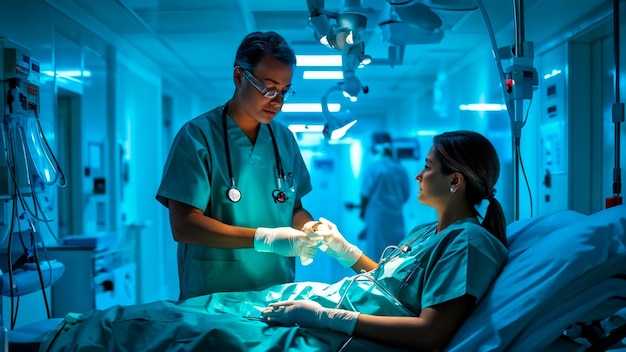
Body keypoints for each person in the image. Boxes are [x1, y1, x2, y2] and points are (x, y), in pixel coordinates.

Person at [261, 130, 509, 351]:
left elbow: (430, 333)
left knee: (234, 329)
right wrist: (345, 250)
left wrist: (324, 317)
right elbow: (388, 284)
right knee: (238, 306)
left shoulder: (466, 243)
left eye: (428, 167)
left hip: (340, 328)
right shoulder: (426, 230)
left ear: (454, 181)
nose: (418, 176)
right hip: (339, 300)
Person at [156, 31, 319, 300]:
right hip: (213, 293)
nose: (276, 101)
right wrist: (263, 239)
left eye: (284, 91)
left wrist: (309, 229)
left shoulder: (285, 140)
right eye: (268, 87)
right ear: (239, 76)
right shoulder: (197, 137)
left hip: (276, 292)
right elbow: (184, 225)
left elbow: (294, 209)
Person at [356, 131, 411, 259]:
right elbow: (406, 194)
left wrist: (362, 211)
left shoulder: (373, 168)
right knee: (395, 252)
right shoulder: (399, 168)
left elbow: (365, 194)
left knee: (377, 254)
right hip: (395, 216)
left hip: (377, 216)